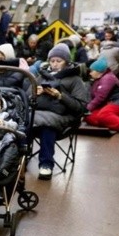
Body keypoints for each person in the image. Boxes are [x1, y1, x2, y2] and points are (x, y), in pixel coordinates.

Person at [32, 43, 89, 180]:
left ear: (66, 62)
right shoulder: (42, 76)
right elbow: (28, 98)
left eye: (59, 61)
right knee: (24, 124)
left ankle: (46, 164)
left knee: (47, 126)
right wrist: (35, 93)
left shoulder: (75, 80)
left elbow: (80, 107)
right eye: (52, 61)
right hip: (39, 115)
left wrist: (60, 96)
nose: (55, 64)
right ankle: (18, 159)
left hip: (64, 117)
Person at [84, 57, 119, 136]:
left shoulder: (107, 78)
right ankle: (113, 120)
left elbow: (99, 98)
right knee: (89, 116)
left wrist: (85, 110)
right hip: (113, 104)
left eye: (92, 71)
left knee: (103, 114)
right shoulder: (98, 79)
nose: (90, 73)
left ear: (99, 71)